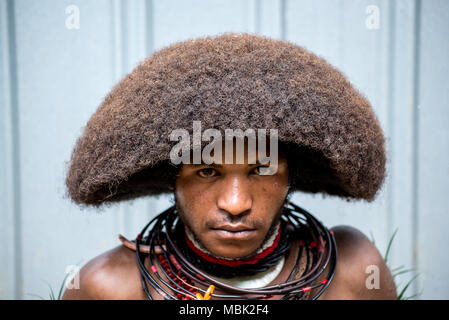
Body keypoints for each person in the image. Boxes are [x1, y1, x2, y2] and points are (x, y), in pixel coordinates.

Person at [62, 33, 396, 300]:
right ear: (172, 178)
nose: (235, 204)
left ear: (290, 176)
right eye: (207, 171)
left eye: (260, 169)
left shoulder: (352, 273)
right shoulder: (107, 287)